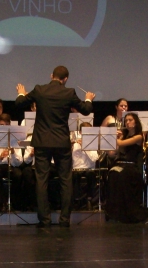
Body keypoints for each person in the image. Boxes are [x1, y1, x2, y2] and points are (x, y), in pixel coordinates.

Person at [15, 65, 95, 227]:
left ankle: (44, 219)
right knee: (65, 180)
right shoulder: (69, 92)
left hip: (42, 142)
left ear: (51, 76)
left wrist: (21, 93)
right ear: (65, 79)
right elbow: (86, 110)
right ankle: (64, 219)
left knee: (41, 180)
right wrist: (88, 98)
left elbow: (19, 103)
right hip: (61, 142)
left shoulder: (39, 90)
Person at [106, 113, 148, 222]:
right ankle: (115, 212)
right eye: (126, 120)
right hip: (120, 164)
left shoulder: (139, 136)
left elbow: (121, 143)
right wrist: (117, 139)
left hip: (131, 166)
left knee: (121, 175)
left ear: (136, 122)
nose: (127, 122)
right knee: (112, 174)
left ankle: (126, 212)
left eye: (130, 120)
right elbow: (112, 154)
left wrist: (113, 137)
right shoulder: (123, 137)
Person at [72, 122, 100, 210]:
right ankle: (76, 201)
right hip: (76, 168)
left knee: (90, 174)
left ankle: (89, 200)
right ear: (80, 132)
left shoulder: (93, 143)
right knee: (74, 175)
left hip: (89, 168)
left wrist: (85, 146)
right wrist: (71, 146)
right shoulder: (74, 144)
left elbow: (94, 159)